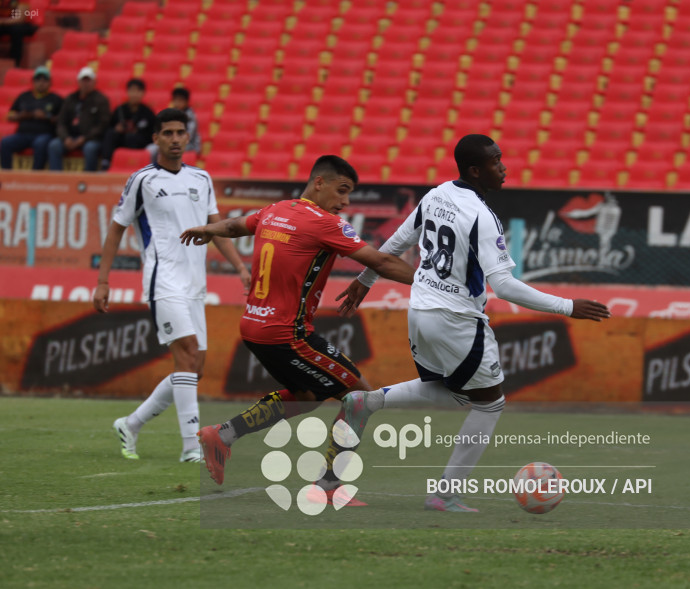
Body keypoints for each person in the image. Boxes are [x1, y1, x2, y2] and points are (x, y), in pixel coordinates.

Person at [336, 134, 611, 512]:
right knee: (489, 403)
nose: (504, 168)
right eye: (497, 162)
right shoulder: (482, 216)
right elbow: (504, 286)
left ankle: (368, 402)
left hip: (419, 313)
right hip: (457, 319)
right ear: (476, 170)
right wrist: (567, 306)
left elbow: (397, 241)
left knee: (458, 391)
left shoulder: (435, 195)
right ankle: (445, 495)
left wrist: (364, 282)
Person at [179, 155, 416, 503]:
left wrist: (208, 228)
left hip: (253, 326)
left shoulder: (275, 210)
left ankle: (223, 434)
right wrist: (434, 284)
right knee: (362, 399)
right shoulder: (326, 222)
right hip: (287, 334)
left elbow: (235, 227)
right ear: (319, 183)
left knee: (306, 397)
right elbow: (381, 261)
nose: (346, 201)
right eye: (342, 190)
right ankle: (328, 487)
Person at [93, 108, 250, 463]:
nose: (176, 139)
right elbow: (117, 227)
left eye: (181, 132)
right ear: (156, 139)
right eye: (168, 133)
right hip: (163, 281)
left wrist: (241, 266)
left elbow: (217, 229)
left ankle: (130, 424)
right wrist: (103, 281)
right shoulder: (142, 180)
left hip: (196, 285)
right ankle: (191, 447)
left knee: (194, 368)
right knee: (188, 354)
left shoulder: (201, 179)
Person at [48, 66, 111, 171]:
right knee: (54, 145)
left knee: (90, 148)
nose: (86, 84)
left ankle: (87, 180)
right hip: (71, 137)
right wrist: (66, 137)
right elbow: (61, 122)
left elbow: (103, 124)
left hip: (91, 138)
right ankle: (57, 180)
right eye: (83, 80)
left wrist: (85, 138)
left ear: (94, 82)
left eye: (88, 80)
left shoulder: (101, 99)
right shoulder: (70, 99)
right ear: (78, 82)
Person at [0, 66, 62, 170]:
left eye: (44, 80)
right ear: (32, 82)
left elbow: (62, 119)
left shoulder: (56, 99)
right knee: (5, 143)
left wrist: (47, 116)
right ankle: (7, 175)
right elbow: (10, 116)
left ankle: (35, 176)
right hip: (23, 134)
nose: (41, 83)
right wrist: (21, 116)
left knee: (40, 144)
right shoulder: (24, 96)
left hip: (44, 134)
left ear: (50, 83)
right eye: (38, 80)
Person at [100, 78, 157, 171]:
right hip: (121, 140)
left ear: (143, 93)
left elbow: (151, 133)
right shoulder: (120, 110)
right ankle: (106, 163)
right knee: (111, 134)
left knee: (132, 137)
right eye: (132, 91)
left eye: (137, 91)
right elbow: (109, 127)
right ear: (127, 92)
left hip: (139, 143)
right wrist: (117, 129)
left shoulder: (148, 113)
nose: (134, 94)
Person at [146, 87, 200, 162]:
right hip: (172, 141)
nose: (177, 103)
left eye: (180, 100)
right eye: (176, 100)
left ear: (186, 102)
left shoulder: (190, 116)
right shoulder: (170, 114)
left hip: (189, 145)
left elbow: (187, 136)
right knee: (151, 148)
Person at [0, 1, 40, 67]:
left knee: (17, 30)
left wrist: (2, 21)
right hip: (4, 23)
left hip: (23, 24)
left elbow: (19, 19)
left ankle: (15, 62)